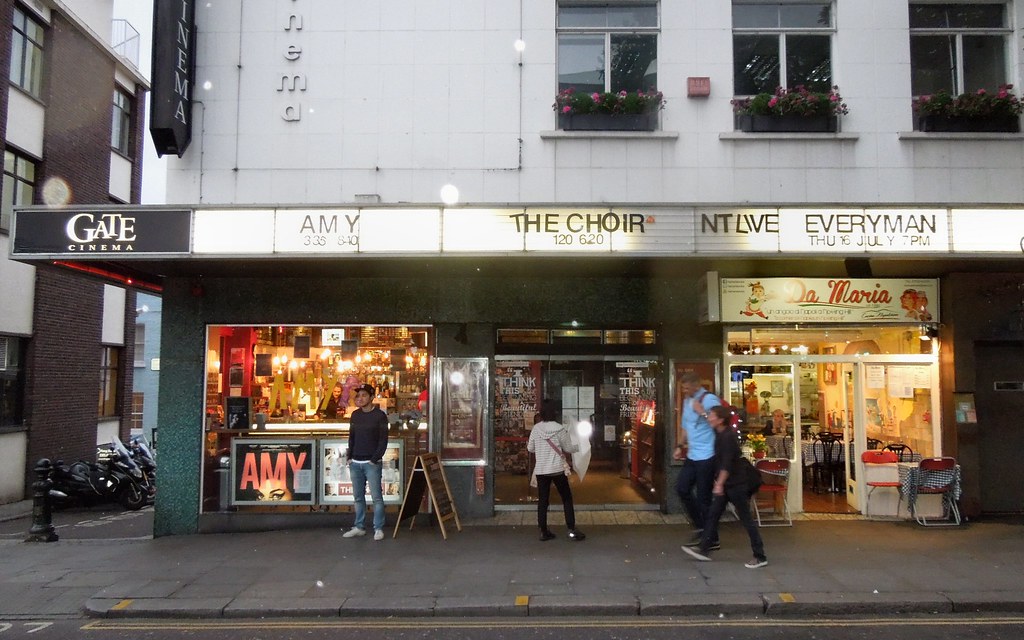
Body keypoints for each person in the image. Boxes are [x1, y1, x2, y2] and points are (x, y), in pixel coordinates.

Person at [681, 405, 769, 569]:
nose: (709, 418)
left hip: (736, 485)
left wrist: (719, 483)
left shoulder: (727, 437)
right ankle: (704, 549)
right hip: (728, 484)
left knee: (746, 520)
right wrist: (701, 411)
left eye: (712, 416)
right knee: (713, 514)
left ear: (720, 420)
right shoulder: (720, 432)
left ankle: (760, 555)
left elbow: (727, 464)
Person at [673, 371, 721, 550]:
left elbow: (719, 424)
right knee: (682, 488)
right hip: (692, 455)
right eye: (683, 388)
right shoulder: (687, 401)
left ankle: (712, 538)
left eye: (687, 388)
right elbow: (685, 426)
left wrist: (702, 413)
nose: (685, 392)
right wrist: (679, 445)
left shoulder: (709, 400)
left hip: (707, 455)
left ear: (695, 385)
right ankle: (702, 526)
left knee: (704, 498)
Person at [527, 400, 585, 542]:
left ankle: (543, 531)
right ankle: (571, 530)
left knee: (543, 500)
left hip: (541, 470)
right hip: (557, 470)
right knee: (566, 498)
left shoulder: (536, 429)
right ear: (555, 412)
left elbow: (530, 449)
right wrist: (579, 446)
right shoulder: (560, 429)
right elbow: (568, 448)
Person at [341, 384, 390, 541]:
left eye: (363, 395)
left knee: (376, 497)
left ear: (371, 397)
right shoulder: (355, 415)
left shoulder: (380, 416)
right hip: (355, 461)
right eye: (358, 396)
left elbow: (383, 440)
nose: (360, 398)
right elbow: (352, 437)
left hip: (371, 462)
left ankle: (378, 527)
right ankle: (359, 526)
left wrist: (374, 459)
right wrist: (349, 456)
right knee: (358, 497)